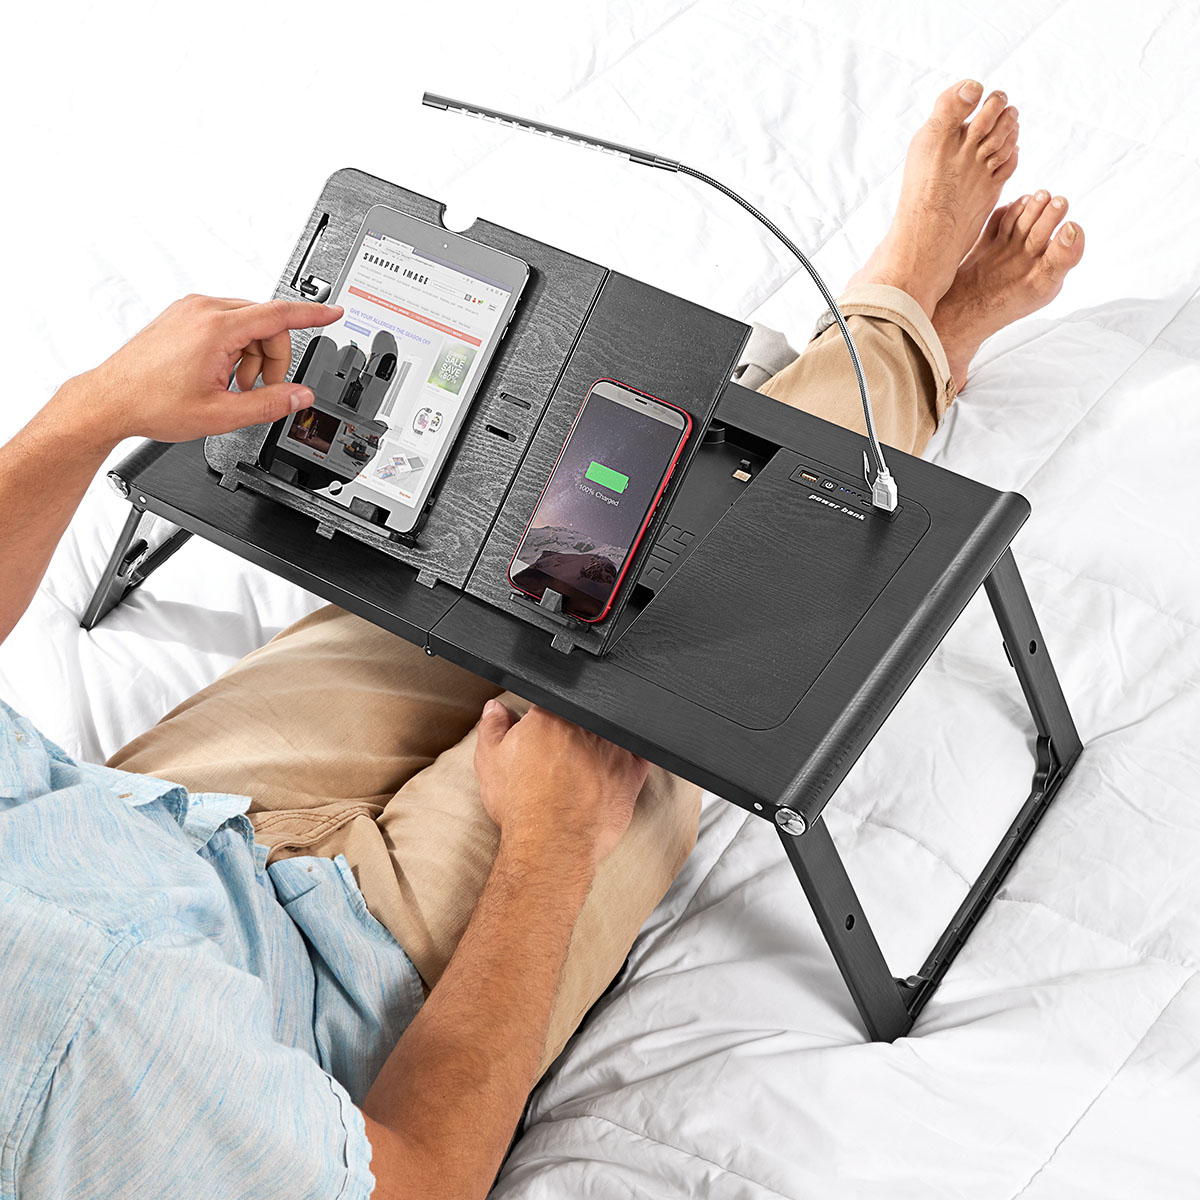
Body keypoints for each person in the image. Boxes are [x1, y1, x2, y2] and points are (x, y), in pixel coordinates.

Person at [0, 79, 1083, 1200]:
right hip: (331, 1000)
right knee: (677, 625)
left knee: (501, 547)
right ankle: (902, 330)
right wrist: (551, 850)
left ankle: (880, 357)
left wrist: (92, 408)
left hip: (158, 821)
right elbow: (411, 1183)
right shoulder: (76, 1055)